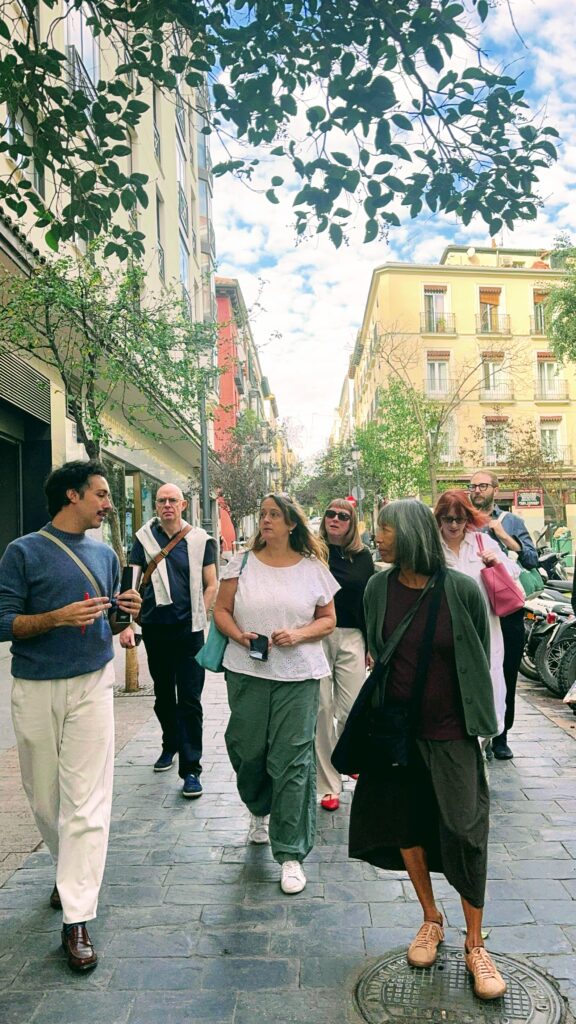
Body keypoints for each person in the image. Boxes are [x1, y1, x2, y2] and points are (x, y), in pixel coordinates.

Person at [349, 499, 506, 1001]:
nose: (378, 537)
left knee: (465, 831)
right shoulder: (378, 588)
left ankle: (476, 944)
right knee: (406, 823)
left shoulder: (460, 588)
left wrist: (481, 723)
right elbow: (378, 648)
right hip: (397, 732)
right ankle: (430, 919)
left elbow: (478, 654)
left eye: (385, 529)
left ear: (411, 533)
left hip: (452, 731)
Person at [0, 460, 142, 973]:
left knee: (87, 801)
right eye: (101, 494)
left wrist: (126, 610)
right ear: (70, 495)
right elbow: (3, 621)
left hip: (92, 682)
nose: (109, 503)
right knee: (44, 796)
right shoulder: (22, 552)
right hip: (36, 686)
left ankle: (77, 916)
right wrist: (56, 617)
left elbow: (112, 619)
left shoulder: (105, 554)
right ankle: (69, 873)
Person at [213, 493, 339, 895]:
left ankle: (290, 854)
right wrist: (238, 634)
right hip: (246, 671)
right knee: (247, 749)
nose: (266, 521)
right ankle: (257, 807)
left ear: (291, 524)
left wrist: (297, 634)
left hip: (299, 675)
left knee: (293, 761)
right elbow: (221, 611)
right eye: (263, 514)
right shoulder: (242, 563)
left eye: (274, 515)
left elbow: (329, 621)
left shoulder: (313, 569)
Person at [119, 483, 217, 798]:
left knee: (189, 698)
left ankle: (191, 770)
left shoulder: (201, 540)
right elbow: (132, 581)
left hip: (189, 632)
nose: (167, 506)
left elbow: (211, 583)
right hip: (155, 627)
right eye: (161, 501)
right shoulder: (143, 539)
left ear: (183, 505)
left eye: (172, 500)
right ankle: (169, 743)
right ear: (156, 506)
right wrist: (127, 623)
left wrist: (199, 613)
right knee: (163, 694)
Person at [434, 489, 522, 742]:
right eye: (447, 518)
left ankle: (484, 742)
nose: (453, 525)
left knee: (487, 685)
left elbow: (514, 580)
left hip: (483, 630)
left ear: (468, 519)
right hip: (445, 631)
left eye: (459, 519)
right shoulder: (432, 549)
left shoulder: (483, 543)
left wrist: (497, 563)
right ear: (439, 518)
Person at [469, 471, 538, 760]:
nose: (477, 490)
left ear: (496, 490)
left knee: (507, 672)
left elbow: (531, 559)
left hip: (507, 609)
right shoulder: (464, 520)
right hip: (476, 609)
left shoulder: (511, 522)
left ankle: (501, 736)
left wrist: (501, 535)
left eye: (483, 485)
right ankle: (475, 732)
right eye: (472, 486)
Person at [316, 498, 374, 811]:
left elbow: (369, 601)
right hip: (317, 638)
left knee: (351, 709)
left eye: (343, 516)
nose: (335, 519)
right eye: (331, 514)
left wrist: (371, 644)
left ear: (352, 523)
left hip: (353, 637)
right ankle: (328, 785)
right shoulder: (312, 554)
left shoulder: (363, 557)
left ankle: (346, 755)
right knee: (322, 710)